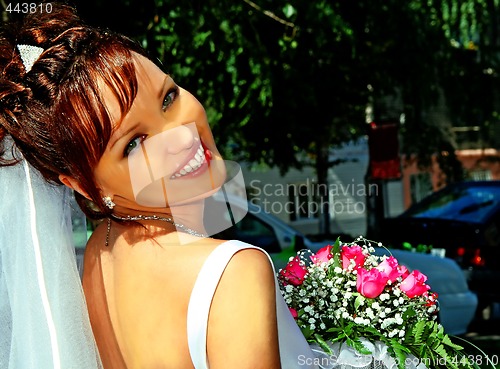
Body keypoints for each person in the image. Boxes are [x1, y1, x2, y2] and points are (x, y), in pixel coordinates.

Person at [0, 3, 318, 368]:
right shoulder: (234, 274)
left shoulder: (97, 255)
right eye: (134, 143)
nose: (181, 136)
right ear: (82, 187)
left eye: (168, 98)